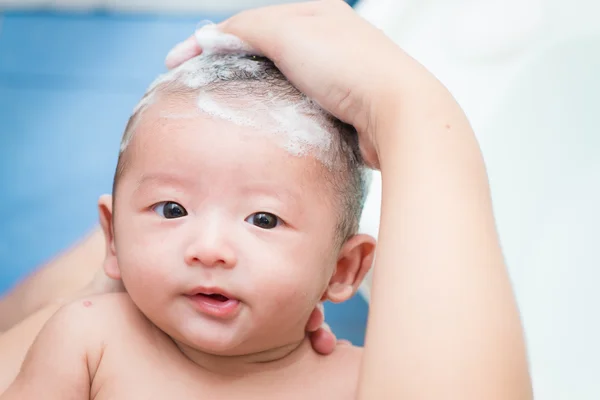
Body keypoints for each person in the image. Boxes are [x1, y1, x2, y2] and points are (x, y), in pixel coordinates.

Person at [0, 2, 532, 399]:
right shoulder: (89, 337)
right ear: (111, 239)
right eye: (172, 210)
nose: (209, 249)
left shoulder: (360, 381)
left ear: (344, 269)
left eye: (263, 219)